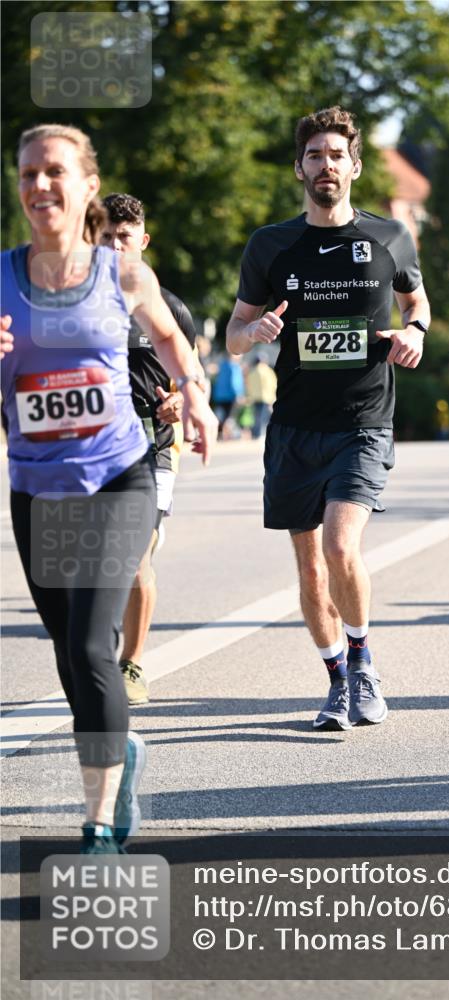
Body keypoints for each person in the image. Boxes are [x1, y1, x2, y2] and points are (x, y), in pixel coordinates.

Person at [0, 124, 217, 854]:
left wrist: (194, 395)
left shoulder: (120, 274)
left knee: (95, 647)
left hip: (120, 476)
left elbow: (171, 340)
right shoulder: (0, 279)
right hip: (37, 488)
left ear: (87, 185)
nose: (39, 185)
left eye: (54, 171)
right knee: (69, 653)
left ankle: (99, 827)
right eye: (27, 173)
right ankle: (118, 755)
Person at [226, 106, 430, 731]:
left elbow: (415, 301)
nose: (326, 165)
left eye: (336, 155)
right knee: (311, 567)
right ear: (299, 168)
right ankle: (337, 679)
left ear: (355, 167)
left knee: (341, 546)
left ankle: (363, 662)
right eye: (314, 155)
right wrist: (253, 332)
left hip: (364, 420)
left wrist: (416, 332)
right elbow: (234, 333)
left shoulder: (390, 236)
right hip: (294, 426)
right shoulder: (270, 244)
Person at [101, 193, 202, 706]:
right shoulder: (70, 305)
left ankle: (132, 664)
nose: (115, 246)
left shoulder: (168, 307)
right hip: (94, 447)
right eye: (106, 236)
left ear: (142, 241)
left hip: (154, 446)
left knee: (135, 554)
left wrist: (183, 401)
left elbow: (194, 374)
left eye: (124, 237)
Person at [212, 351, 245, 439]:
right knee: (229, 416)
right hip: (230, 396)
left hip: (219, 396)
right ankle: (226, 435)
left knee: (221, 416)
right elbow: (235, 382)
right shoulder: (234, 367)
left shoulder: (222, 365)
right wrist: (238, 394)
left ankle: (221, 433)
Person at [245, 352, 277, 439]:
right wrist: (273, 397)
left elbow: (248, 385)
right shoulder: (268, 371)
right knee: (265, 417)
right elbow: (273, 385)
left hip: (254, 397)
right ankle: (261, 433)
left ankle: (256, 433)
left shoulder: (252, 371)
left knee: (256, 416)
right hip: (266, 397)